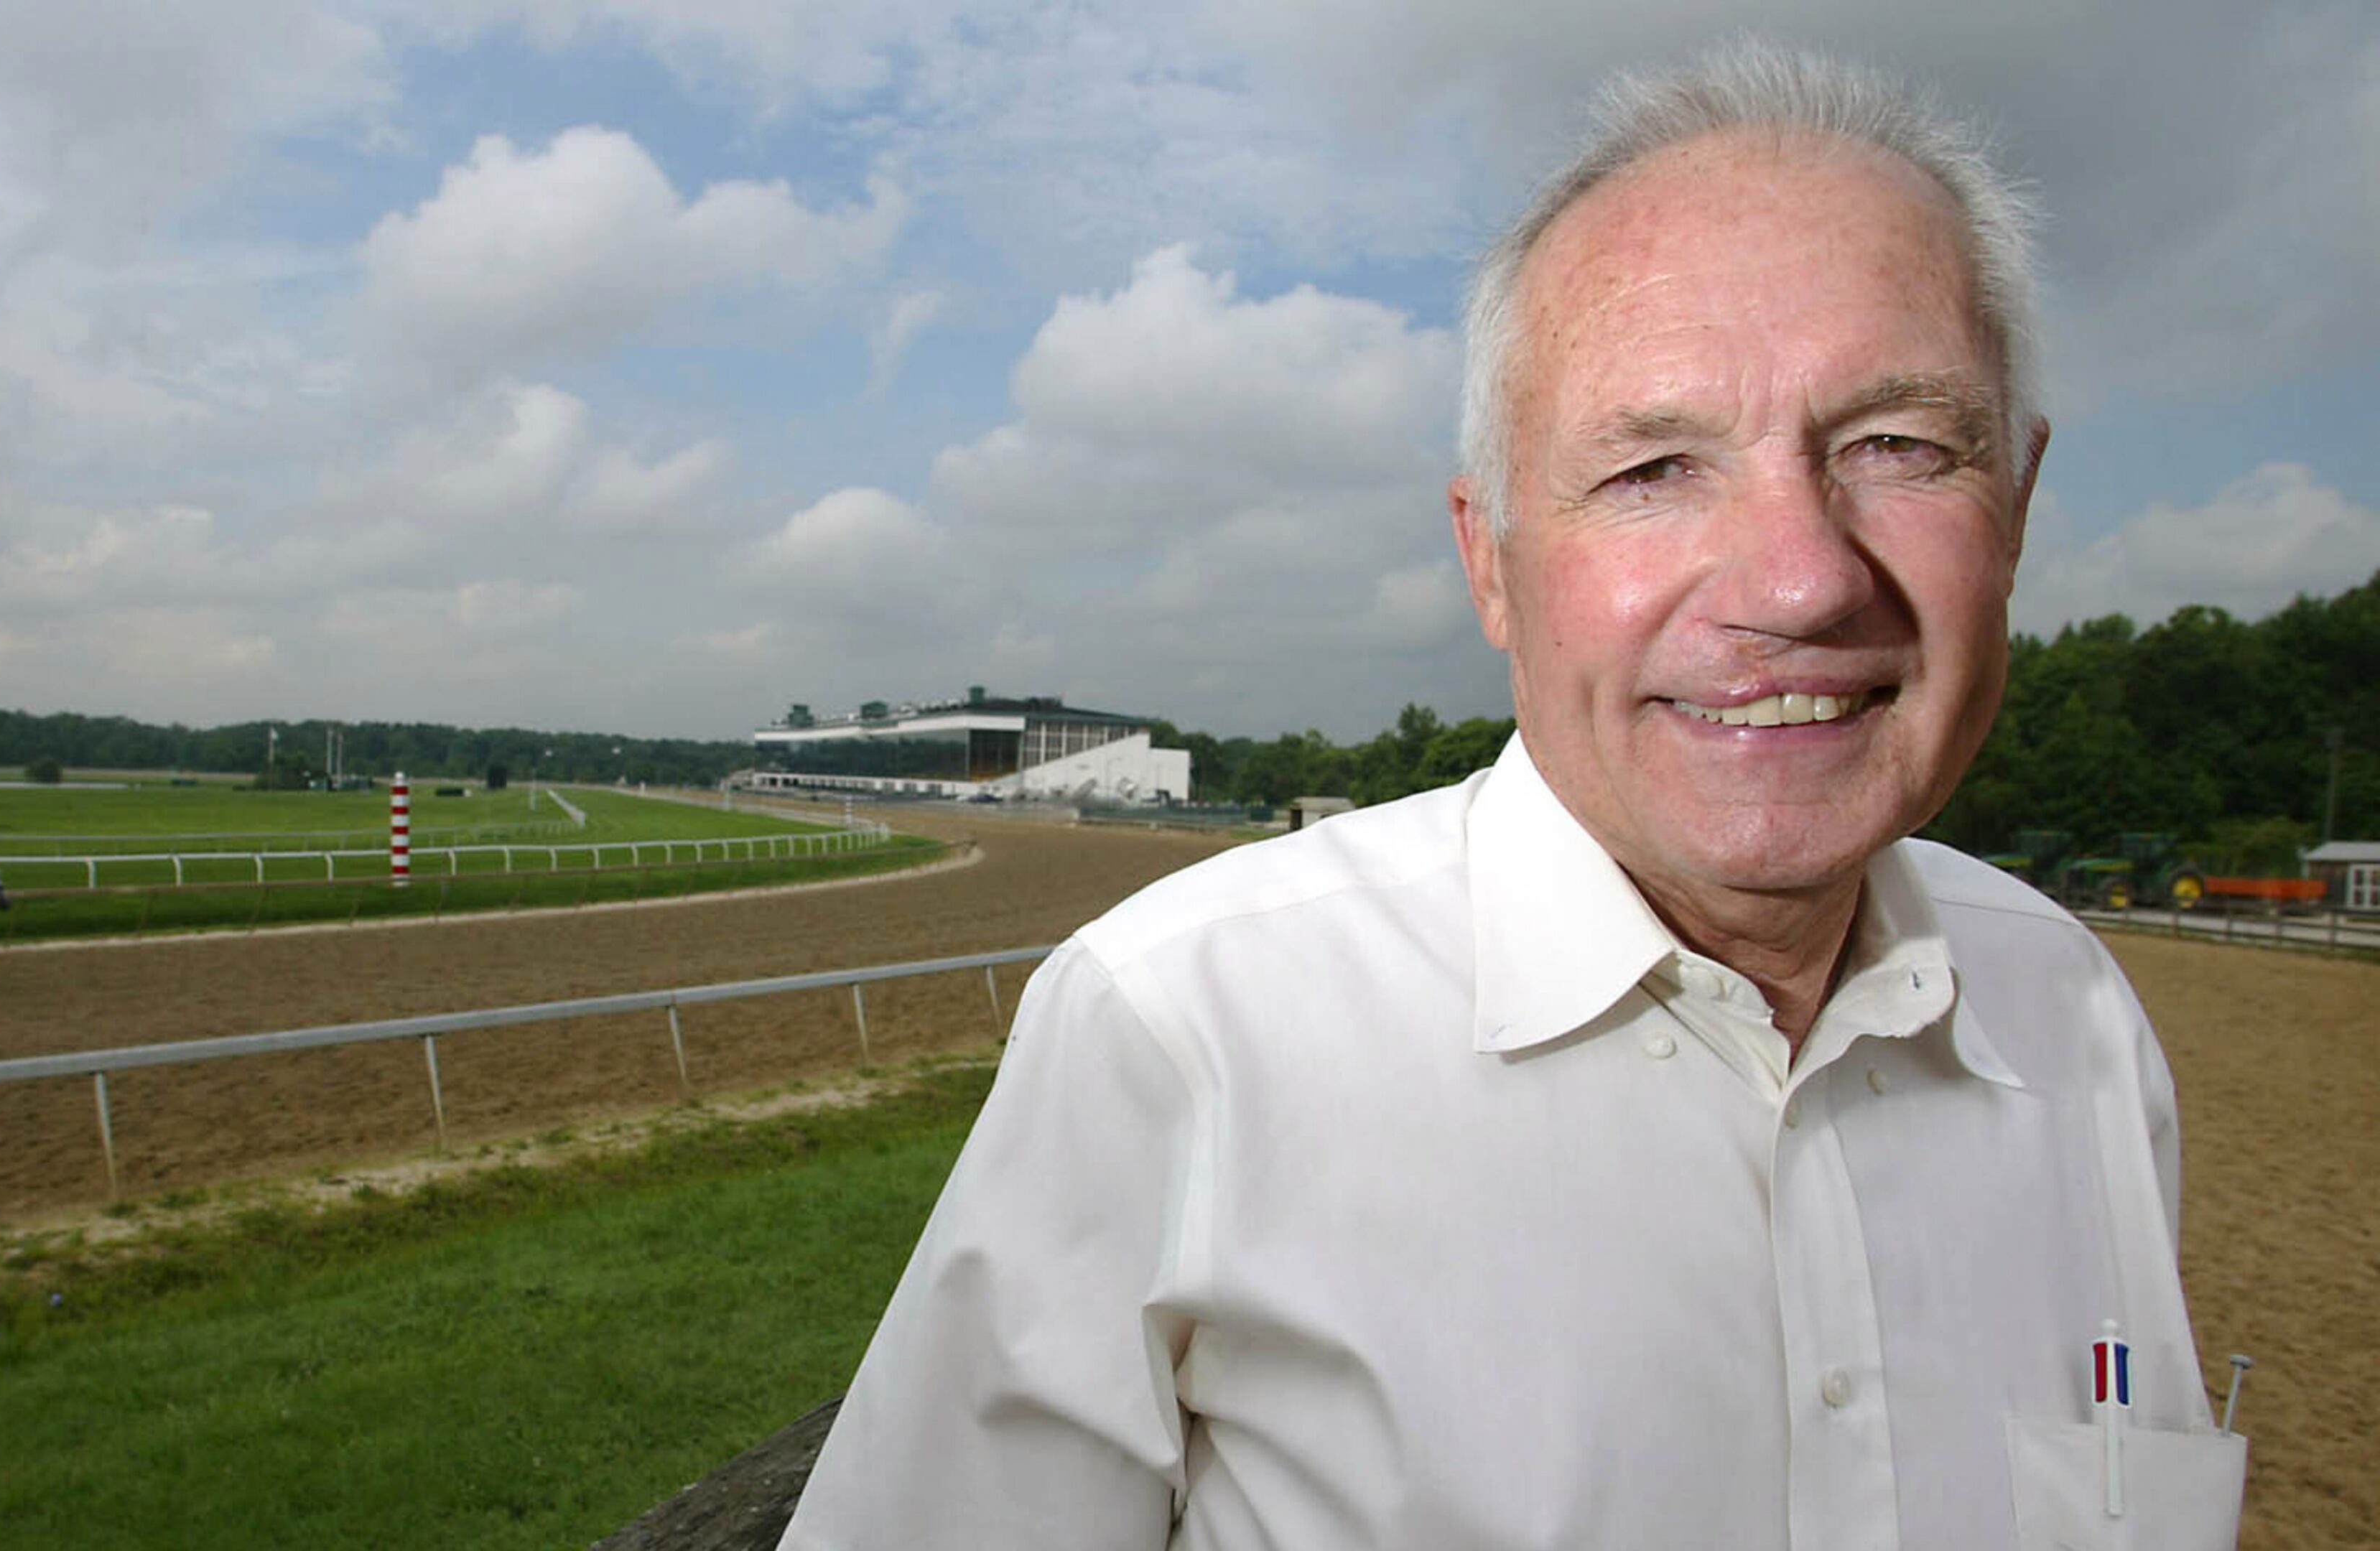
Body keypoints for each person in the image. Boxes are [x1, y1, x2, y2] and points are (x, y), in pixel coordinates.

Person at [781, 42, 2247, 1550]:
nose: (1803, 578)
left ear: (2016, 510)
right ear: (1489, 559)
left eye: (1899, 447)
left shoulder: (2076, 1015)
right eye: (1653, 469)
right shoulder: (1181, 1032)